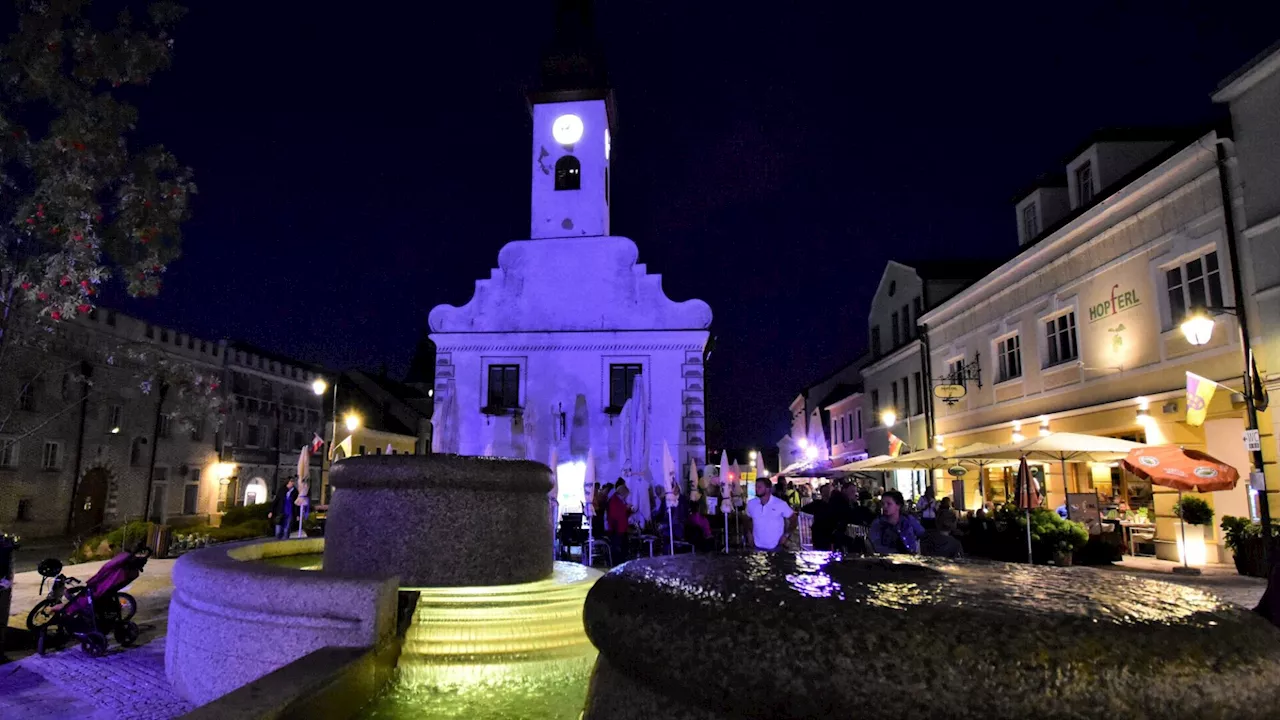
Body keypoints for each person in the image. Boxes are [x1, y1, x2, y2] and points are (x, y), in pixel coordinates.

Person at [869, 490, 926, 555]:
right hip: (887, 561)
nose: (884, 507)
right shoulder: (878, 523)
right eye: (882, 504)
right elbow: (875, 545)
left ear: (898, 505)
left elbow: (922, 534)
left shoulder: (908, 520)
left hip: (910, 559)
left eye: (889, 504)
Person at [746, 478, 795, 551]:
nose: (756, 489)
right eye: (756, 486)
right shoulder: (751, 504)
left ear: (768, 488)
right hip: (757, 546)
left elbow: (794, 520)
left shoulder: (780, 504)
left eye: (759, 487)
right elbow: (746, 519)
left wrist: (786, 535)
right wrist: (749, 533)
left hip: (776, 546)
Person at [606, 483, 633, 564]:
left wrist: (628, 510)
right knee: (618, 549)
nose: (626, 497)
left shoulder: (618, 500)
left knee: (624, 548)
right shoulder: (614, 500)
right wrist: (626, 508)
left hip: (621, 528)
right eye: (626, 495)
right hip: (616, 529)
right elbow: (615, 514)